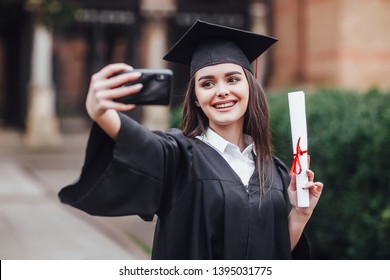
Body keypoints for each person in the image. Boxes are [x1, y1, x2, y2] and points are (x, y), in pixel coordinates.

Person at [58, 20, 323, 259]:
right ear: (196, 98)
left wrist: (299, 216)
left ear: (250, 88)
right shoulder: (181, 158)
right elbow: (145, 147)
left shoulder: (275, 171)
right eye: (207, 83)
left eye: (232, 79)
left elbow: (275, 255)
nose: (221, 91)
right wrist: (102, 113)